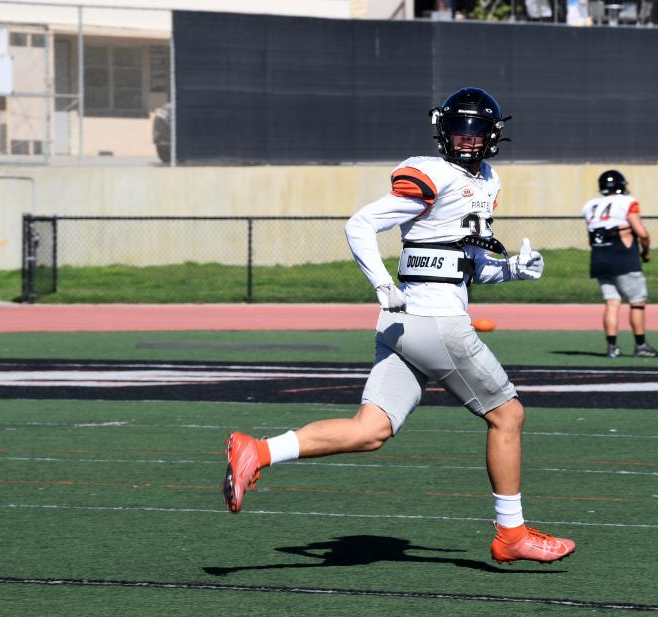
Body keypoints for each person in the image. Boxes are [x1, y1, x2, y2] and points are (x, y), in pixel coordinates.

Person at [222, 88, 576, 565]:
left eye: (475, 132)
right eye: (458, 130)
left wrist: (511, 269)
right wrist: (382, 283)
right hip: (434, 322)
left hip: (402, 327)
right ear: (441, 131)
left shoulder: (487, 180)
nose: (466, 141)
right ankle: (511, 532)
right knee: (507, 416)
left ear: (492, 136)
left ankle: (258, 451)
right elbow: (360, 225)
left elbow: (457, 262)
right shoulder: (430, 172)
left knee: (370, 430)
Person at [582, 169, 658, 358]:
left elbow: (594, 235)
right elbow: (642, 233)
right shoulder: (627, 202)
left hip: (599, 258)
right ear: (621, 185)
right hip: (623, 258)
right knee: (637, 302)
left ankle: (612, 348)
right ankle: (641, 346)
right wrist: (646, 252)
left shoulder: (590, 206)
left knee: (611, 303)